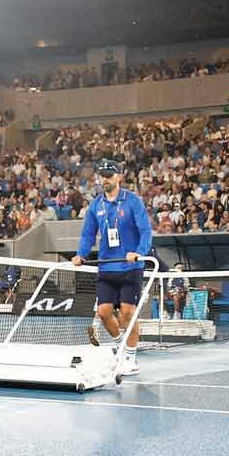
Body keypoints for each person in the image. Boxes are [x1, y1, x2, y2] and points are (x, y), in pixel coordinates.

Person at [73, 157, 152, 374]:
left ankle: (131, 358)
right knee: (104, 312)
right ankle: (121, 347)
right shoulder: (96, 205)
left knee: (127, 313)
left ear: (119, 177)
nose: (104, 180)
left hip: (130, 267)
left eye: (109, 176)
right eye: (102, 176)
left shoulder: (133, 201)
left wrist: (139, 253)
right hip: (107, 267)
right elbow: (88, 234)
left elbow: (146, 230)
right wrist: (81, 254)